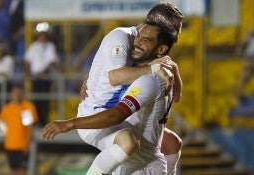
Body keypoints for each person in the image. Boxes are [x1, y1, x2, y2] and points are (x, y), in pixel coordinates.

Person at [43, 16, 179, 174]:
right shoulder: (153, 72)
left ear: (161, 49)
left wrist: (70, 124)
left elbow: (118, 112)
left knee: (128, 142)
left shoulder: (149, 79)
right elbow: (175, 139)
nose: (137, 42)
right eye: (138, 37)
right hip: (148, 163)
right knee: (140, 141)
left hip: (139, 164)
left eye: (146, 40)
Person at [78, 2, 184, 174]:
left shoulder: (155, 55)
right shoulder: (122, 37)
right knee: (132, 143)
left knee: (171, 143)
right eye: (175, 29)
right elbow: (114, 77)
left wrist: (172, 69)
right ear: (157, 24)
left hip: (124, 123)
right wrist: (154, 69)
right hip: (99, 115)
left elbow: (177, 96)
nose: (177, 36)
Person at [0, 83, 38, 175]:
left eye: (19, 92)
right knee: (13, 170)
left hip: (22, 145)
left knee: (23, 171)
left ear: (22, 93)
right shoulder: (8, 108)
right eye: (15, 92)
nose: (16, 95)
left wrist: (27, 143)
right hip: (10, 145)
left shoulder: (26, 108)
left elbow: (30, 127)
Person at [24, 23, 58, 126]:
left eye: (44, 35)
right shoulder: (33, 46)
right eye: (40, 35)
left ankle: (43, 121)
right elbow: (28, 61)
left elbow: (52, 61)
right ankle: (36, 119)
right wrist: (26, 73)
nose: (42, 36)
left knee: (45, 100)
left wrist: (42, 72)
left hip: (45, 76)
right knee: (36, 98)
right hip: (35, 77)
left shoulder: (50, 46)